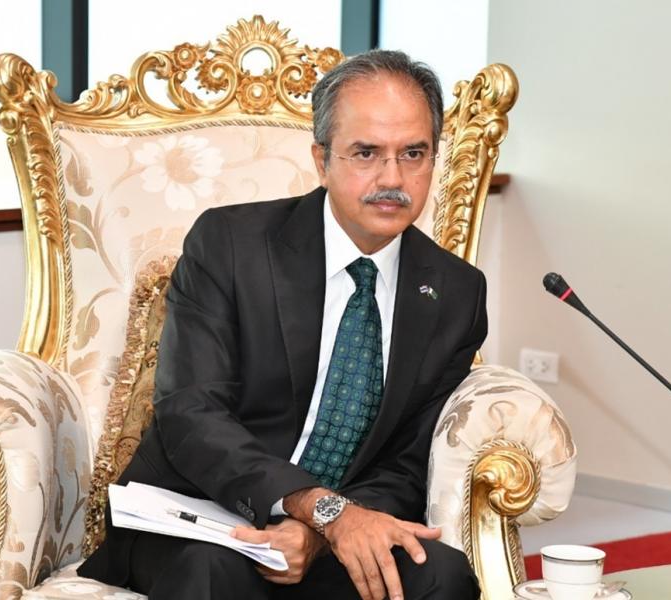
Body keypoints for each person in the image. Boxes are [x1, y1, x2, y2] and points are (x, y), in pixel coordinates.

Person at [79, 49, 488, 600]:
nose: (392, 178)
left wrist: (320, 532)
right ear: (322, 160)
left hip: (336, 530)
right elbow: (192, 414)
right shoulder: (230, 244)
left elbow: (408, 461)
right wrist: (316, 508)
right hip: (201, 513)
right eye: (366, 153)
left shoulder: (456, 292)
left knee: (443, 575)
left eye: (413, 154)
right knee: (214, 574)